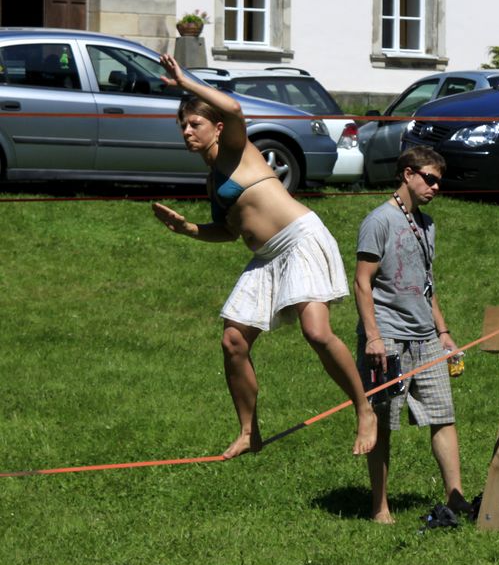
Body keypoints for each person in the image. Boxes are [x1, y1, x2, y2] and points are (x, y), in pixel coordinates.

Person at [151, 54, 377, 459]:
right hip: (266, 257)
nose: (187, 131)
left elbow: (234, 108)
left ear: (216, 128)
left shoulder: (236, 149)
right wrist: (187, 229)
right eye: (182, 125)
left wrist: (186, 81)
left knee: (317, 332)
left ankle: (364, 409)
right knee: (233, 340)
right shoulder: (212, 177)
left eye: (194, 123)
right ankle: (248, 431)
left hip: (300, 239)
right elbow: (230, 231)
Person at [354, 146, 469, 524]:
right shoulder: (379, 221)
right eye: (429, 179)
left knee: (443, 415)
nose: (435, 187)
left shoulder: (428, 224)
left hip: (426, 338)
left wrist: (445, 332)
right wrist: (373, 337)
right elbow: (362, 282)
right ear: (407, 174)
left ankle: (456, 498)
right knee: (383, 423)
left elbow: (426, 286)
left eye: (439, 181)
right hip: (388, 338)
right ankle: (380, 507)